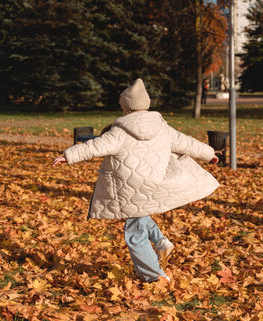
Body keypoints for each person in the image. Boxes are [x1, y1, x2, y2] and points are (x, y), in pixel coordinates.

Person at [53, 79, 219, 282]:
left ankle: (154, 276)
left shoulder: (120, 131)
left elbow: (94, 146)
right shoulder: (162, 127)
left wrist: (68, 155)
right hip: (154, 184)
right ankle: (160, 242)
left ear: (127, 108)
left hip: (130, 187)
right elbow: (187, 142)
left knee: (134, 234)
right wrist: (209, 153)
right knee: (139, 215)